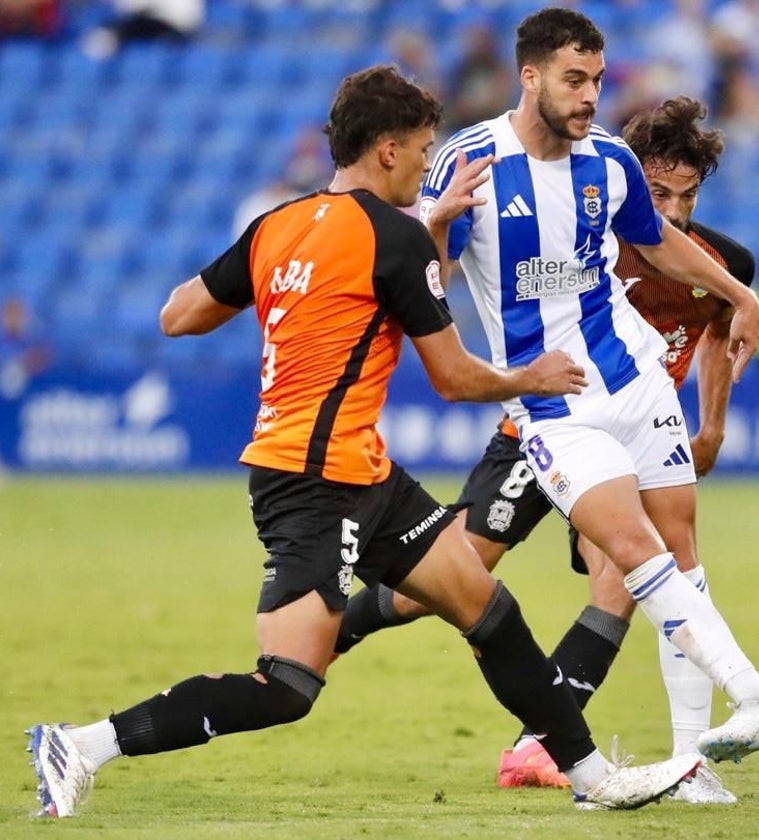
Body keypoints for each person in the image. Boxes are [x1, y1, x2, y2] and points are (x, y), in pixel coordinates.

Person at [24, 64, 703, 820]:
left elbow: (177, 315)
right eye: (420, 148)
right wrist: (532, 376)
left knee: (487, 609)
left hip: (364, 473)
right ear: (386, 150)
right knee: (287, 686)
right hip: (313, 483)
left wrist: (294, 294)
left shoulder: (277, 227)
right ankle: (82, 745)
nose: (426, 163)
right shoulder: (394, 240)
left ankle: (591, 778)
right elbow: (452, 378)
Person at [338, 94, 759, 804]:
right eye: (658, 193)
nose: (674, 210)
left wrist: (710, 423)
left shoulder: (716, 262)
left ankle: (540, 745)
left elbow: (720, 331)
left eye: (686, 195)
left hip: (627, 434)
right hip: (541, 425)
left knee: (629, 572)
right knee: (450, 580)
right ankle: (330, 628)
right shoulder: (584, 235)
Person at [420, 5, 759, 771]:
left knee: (676, 552)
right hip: (552, 403)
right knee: (630, 550)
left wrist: (741, 297)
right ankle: (756, 698)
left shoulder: (610, 161)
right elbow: (427, 277)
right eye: (574, 78)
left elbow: (661, 243)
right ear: (529, 77)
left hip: (634, 379)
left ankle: (696, 765)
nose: (589, 94)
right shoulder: (472, 160)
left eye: (596, 78)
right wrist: (435, 226)